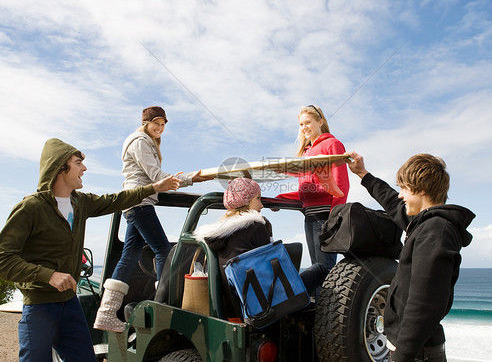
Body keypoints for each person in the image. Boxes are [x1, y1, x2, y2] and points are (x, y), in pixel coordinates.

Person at [0, 138, 180, 362]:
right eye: (78, 162)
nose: (84, 168)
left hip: (70, 304)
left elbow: (116, 199)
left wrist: (155, 187)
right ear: (60, 167)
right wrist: (48, 276)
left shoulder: (80, 203)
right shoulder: (31, 208)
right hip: (40, 307)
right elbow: (0, 260)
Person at [346, 151, 475, 362]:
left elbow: (425, 304)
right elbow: (392, 203)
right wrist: (363, 174)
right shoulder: (424, 225)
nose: (400, 194)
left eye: (404, 188)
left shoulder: (435, 232)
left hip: (416, 353)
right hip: (410, 349)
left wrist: (402, 356)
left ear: (421, 189)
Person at [94, 106, 211, 332]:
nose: (159, 128)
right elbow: (156, 177)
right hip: (139, 203)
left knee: (130, 255)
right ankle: (162, 305)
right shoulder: (140, 141)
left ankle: (107, 313)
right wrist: (191, 179)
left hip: (136, 203)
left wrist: (190, 179)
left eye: (163, 124)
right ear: (146, 123)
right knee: (163, 251)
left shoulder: (148, 142)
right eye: (156, 123)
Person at [194, 177, 328, 320]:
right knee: (319, 269)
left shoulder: (218, 234)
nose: (262, 205)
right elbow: (275, 271)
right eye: (258, 198)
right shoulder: (255, 227)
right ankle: (329, 318)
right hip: (264, 304)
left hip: (237, 306)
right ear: (245, 201)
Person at [277, 105, 349, 272]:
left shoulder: (332, 144)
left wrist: (333, 218)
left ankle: (297, 295)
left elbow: (341, 185)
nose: (304, 128)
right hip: (309, 217)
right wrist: (281, 199)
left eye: (308, 122)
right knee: (317, 269)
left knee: (323, 269)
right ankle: (310, 297)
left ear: (320, 122)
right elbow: (307, 190)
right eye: (301, 124)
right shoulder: (306, 153)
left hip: (325, 216)